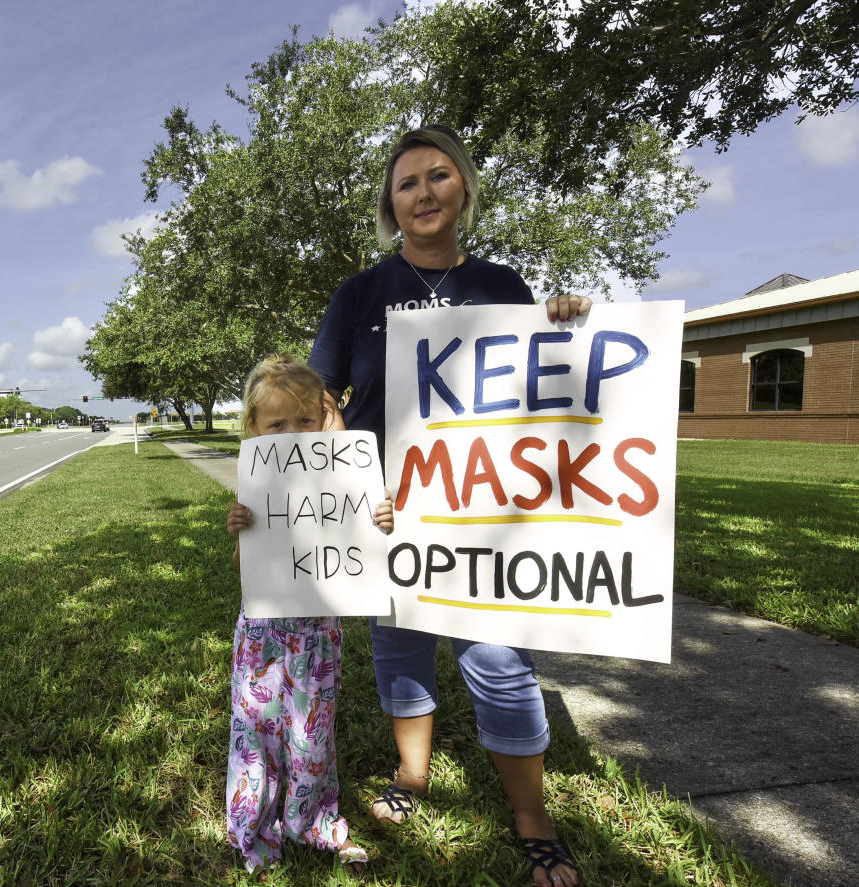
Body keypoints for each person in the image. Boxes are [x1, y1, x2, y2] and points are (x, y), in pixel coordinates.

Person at [308, 125, 591, 887]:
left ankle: (532, 817)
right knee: (398, 647)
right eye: (407, 183)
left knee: (498, 659)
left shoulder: (503, 286)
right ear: (390, 206)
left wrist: (566, 328)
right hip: (387, 514)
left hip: (481, 513)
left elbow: (541, 386)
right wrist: (337, 440)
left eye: (438, 176)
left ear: (463, 186)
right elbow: (319, 394)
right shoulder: (358, 294)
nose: (424, 192)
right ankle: (413, 777)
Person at [224, 354, 394, 878]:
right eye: (278, 424)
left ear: (323, 421)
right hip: (261, 637)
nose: (293, 434)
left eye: (305, 420)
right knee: (255, 735)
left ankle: (314, 822)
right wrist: (239, 534)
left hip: (317, 640)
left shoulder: (347, 481)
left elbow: (366, 549)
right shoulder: (258, 487)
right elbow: (245, 568)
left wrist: (382, 520)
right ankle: (253, 828)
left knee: (311, 737)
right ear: (254, 428)